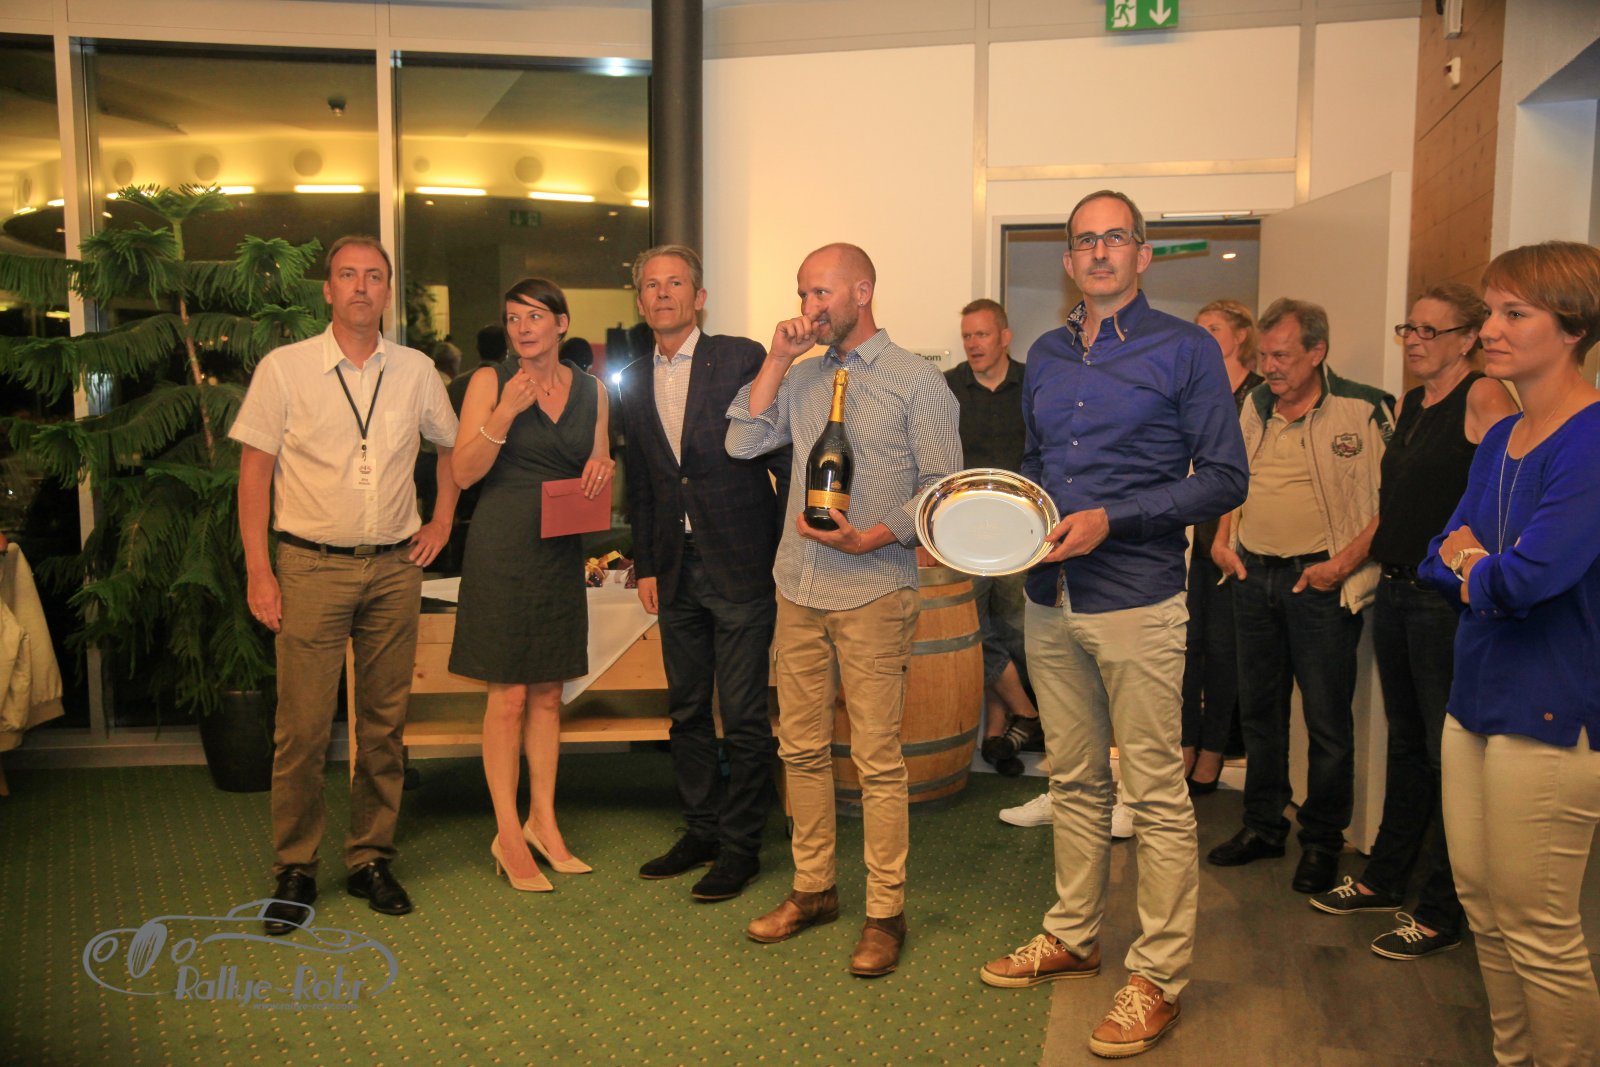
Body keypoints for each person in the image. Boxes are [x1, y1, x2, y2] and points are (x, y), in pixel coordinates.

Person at [979, 190, 1247, 1060]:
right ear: (1069, 260)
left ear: (1142, 253)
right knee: (1074, 779)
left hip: (1137, 595)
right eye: (1085, 241)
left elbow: (1224, 478)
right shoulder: (1048, 355)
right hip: (1051, 595)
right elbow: (1036, 464)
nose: (1099, 252)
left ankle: (1158, 977)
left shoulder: (1186, 348)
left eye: (1115, 238)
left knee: (1156, 794)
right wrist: (1014, 525)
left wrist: (1116, 518)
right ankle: (1073, 933)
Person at [726, 242, 961, 978]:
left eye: (821, 293)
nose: (809, 307)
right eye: (802, 293)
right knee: (799, 749)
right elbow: (741, 440)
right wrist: (775, 359)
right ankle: (814, 889)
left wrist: (873, 535)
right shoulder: (801, 377)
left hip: (874, 590)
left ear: (862, 290)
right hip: (797, 586)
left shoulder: (916, 379)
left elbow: (942, 487)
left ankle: (885, 913)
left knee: (876, 760)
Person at [233, 234, 459, 934]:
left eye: (374, 276)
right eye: (348, 275)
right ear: (328, 290)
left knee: (384, 727)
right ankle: (295, 868)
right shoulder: (286, 369)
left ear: (388, 291)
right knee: (301, 729)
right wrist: (260, 569)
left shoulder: (416, 370)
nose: (362, 287)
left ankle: (369, 857)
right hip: (310, 566)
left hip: (394, 568)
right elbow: (254, 474)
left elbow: (449, 447)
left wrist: (441, 520)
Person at [1420, 241, 1600, 1066]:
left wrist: (1473, 564)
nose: (1489, 328)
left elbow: (1530, 578)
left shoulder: (1590, 439)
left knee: (1538, 927)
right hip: (1476, 698)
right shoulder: (1502, 439)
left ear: (1573, 327)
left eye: (1513, 313)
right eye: (1490, 310)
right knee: (1486, 911)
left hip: (1551, 709)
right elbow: (1436, 553)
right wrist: (1475, 565)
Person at [1308, 284, 1516, 960]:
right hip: (1396, 591)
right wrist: (1348, 561)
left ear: (1468, 338)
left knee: (1446, 754)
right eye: (1410, 329)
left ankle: (1444, 910)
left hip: (1443, 602)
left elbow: (1509, 496)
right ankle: (1385, 878)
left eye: (1432, 330)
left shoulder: (1485, 396)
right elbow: (1394, 504)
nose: (1416, 341)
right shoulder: (1410, 404)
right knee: (1406, 746)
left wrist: (1476, 568)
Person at [1206, 298, 1392, 896]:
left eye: (1282, 355)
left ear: (1317, 352)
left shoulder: (1364, 408)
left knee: (1327, 721)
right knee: (1260, 715)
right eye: (1264, 355)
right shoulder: (1254, 405)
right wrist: (1223, 541)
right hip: (1252, 577)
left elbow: (1393, 501)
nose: (1270, 367)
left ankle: (1322, 842)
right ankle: (1263, 826)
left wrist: (1341, 566)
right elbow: (1234, 479)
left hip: (1318, 585)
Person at [621, 244, 787, 902]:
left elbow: (778, 451)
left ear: (700, 297)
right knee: (687, 711)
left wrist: (788, 547)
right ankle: (702, 829)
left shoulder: (741, 358)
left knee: (743, 715)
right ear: (640, 300)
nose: (663, 293)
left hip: (741, 562)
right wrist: (645, 563)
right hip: (674, 568)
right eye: (651, 285)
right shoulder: (633, 377)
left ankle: (741, 846)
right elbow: (643, 478)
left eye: (676, 283)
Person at [446, 277, 615, 893]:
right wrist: (504, 413)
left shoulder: (594, 392)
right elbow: (463, 472)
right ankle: (507, 834)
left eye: (535, 316)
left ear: (561, 324)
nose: (522, 327)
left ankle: (543, 820)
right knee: (509, 697)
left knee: (547, 693)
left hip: (558, 550)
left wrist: (601, 467)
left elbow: (598, 461)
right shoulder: (489, 383)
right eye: (513, 317)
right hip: (501, 548)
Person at [944, 298, 1040, 777]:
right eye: (967, 336)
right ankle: (1027, 713)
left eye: (982, 334)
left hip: (1024, 533)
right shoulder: (947, 387)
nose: (973, 344)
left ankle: (999, 734)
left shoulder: (1033, 384)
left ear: (1005, 337)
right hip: (962, 535)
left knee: (1020, 631)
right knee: (971, 630)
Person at [1182, 299, 1263, 794]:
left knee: (1223, 650)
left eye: (1213, 328)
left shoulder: (1259, 394)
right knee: (1186, 646)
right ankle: (1185, 744)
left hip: (1237, 537)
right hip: (1191, 532)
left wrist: (1226, 536)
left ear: (1241, 335)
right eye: (1199, 329)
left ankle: (1214, 749)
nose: (1204, 336)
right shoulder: (1194, 389)